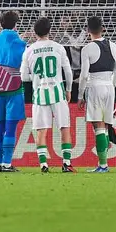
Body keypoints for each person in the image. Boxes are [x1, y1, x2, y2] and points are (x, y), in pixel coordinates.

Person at [20, 17, 75, 173]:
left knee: (41, 130)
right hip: (57, 91)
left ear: (34, 32)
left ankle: (43, 164)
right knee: (64, 127)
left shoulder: (29, 50)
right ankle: (66, 163)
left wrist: (38, 78)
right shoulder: (58, 47)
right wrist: (69, 89)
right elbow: (68, 71)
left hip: (40, 94)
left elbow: (23, 76)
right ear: (49, 30)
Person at [0, 11, 27, 172]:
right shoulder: (21, 44)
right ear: (16, 24)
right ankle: (7, 163)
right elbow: (24, 67)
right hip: (14, 88)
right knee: (10, 128)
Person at [78, 16, 116, 173]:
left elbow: (84, 75)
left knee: (99, 126)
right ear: (102, 28)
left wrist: (80, 95)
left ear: (88, 30)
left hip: (95, 86)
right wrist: (111, 86)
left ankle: (103, 165)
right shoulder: (113, 46)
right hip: (109, 86)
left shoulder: (87, 49)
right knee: (106, 124)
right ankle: (103, 164)